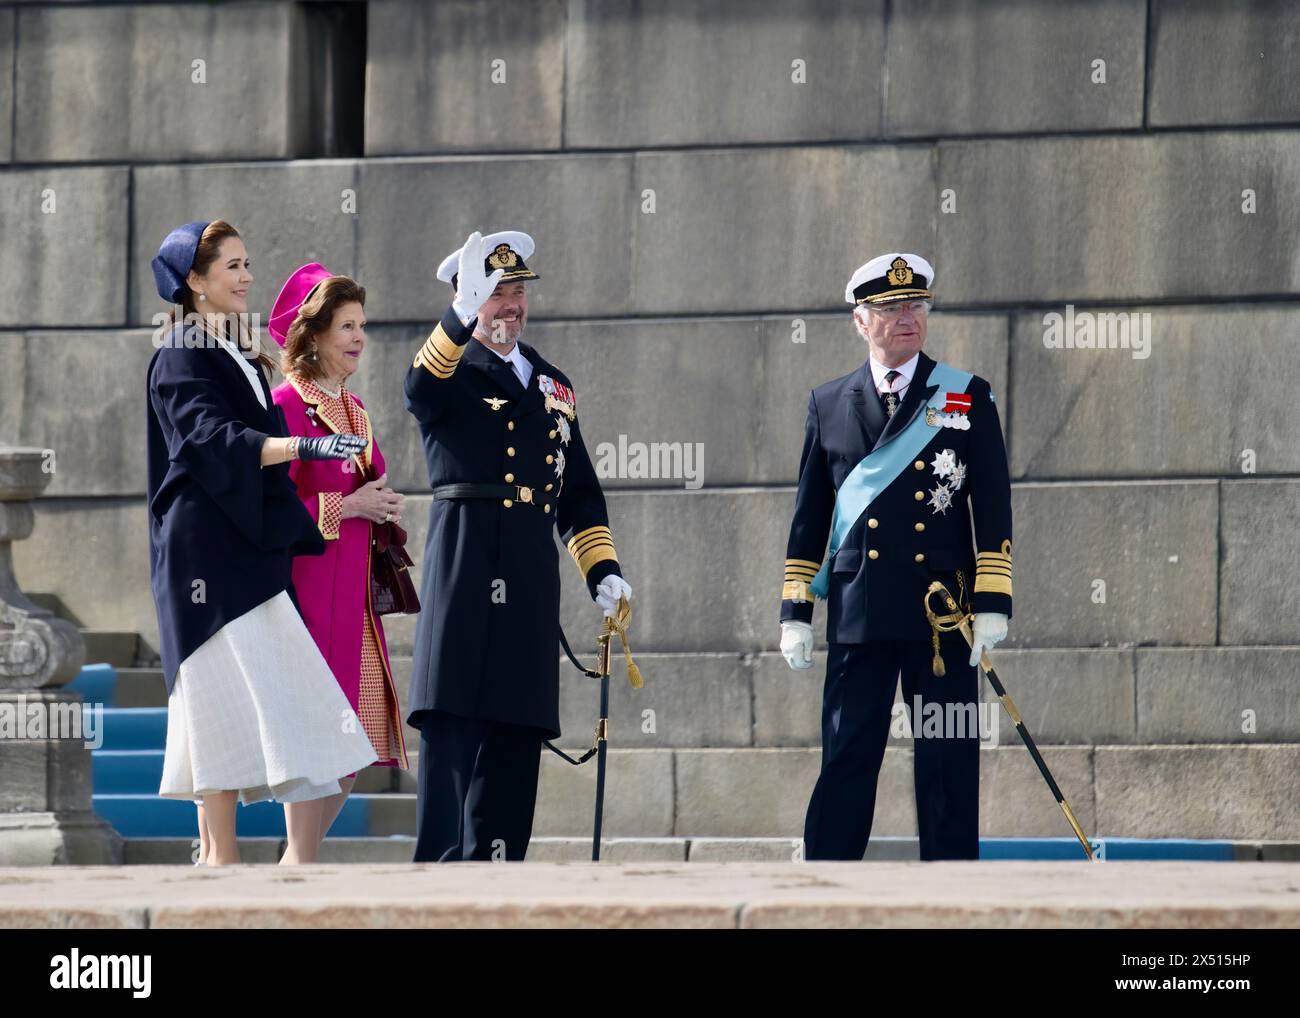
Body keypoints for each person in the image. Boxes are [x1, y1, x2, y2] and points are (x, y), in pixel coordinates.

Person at [146, 220, 378, 866]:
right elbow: (209, 442)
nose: (247, 276)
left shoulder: (236, 351)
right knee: (216, 699)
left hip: (243, 549)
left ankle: (241, 859)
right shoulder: (179, 352)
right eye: (231, 266)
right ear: (195, 281)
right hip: (205, 560)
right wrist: (302, 445)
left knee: (288, 701)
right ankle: (222, 858)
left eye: (248, 263)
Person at [404, 230, 633, 862]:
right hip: (466, 568)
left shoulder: (554, 384)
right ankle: (437, 896)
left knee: (514, 737)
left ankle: (499, 891)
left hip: (529, 580)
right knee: (454, 733)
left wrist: (601, 569)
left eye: (517, 291)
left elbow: (579, 493)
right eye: (494, 291)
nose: (510, 304)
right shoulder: (449, 370)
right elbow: (420, 388)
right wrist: (457, 318)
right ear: (467, 297)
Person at [778, 252, 1012, 861]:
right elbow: (809, 519)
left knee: (946, 765)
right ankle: (825, 889)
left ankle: (952, 894)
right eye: (890, 308)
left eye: (915, 305)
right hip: (859, 612)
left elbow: (991, 507)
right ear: (861, 319)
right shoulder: (830, 403)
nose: (907, 317)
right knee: (847, 756)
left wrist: (993, 602)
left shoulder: (965, 396)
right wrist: (795, 612)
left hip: (943, 614)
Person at [269, 264, 410, 862]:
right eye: (345, 325)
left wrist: (379, 506)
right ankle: (299, 862)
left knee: (355, 746)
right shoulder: (284, 405)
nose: (357, 337)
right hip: (306, 592)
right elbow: (274, 509)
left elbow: (363, 483)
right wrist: (348, 505)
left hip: (353, 594)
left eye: (361, 325)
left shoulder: (355, 408)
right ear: (314, 333)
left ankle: (296, 860)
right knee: (315, 734)